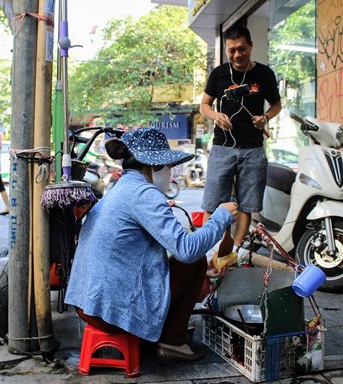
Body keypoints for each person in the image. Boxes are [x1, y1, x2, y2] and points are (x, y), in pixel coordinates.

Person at [64, 127, 238, 362]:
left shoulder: (123, 188)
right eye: (167, 166)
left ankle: (161, 333)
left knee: (195, 263)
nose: (170, 173)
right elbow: (186, 250)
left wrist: (200, 270)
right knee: (193, 257)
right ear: (155, 167)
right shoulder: (143, 193)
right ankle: (173, 342)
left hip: (87, 303)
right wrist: (220, 217)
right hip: (105, 311)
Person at [200, 25, 282, 246]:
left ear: (251, 46)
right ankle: (208, 250)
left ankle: (234, 253)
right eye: (231, 50)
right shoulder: (218, 74)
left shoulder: (265, 74)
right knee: (213, 203)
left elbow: (277, 105)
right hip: (222, 148)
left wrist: (264, 117)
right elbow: (204, 106)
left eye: (242, 49)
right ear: (226, 50)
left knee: (248, 205)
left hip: (253, 149)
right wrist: (216, 116)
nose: (237, 55)